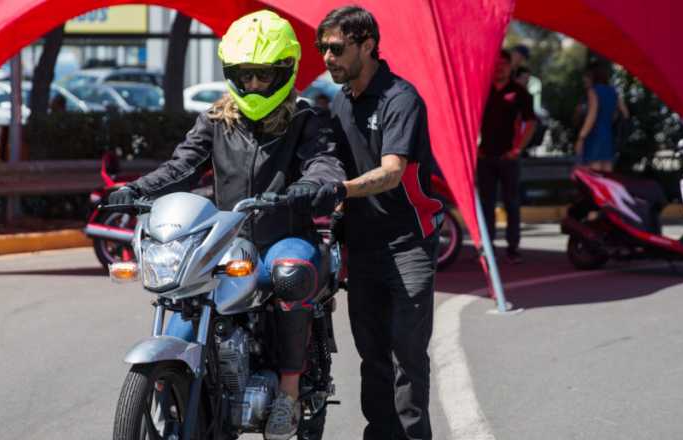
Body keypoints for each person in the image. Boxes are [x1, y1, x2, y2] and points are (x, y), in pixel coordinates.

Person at [107, 10, 346, 438]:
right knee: (180, 287)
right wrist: (136, 188)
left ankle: (288, 394)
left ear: (285, 71)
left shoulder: (307, 120)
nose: (252, 85)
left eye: (262, 75)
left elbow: (324, 164)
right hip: (226, 240)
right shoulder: (217, 120)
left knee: (290, 272)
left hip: (284, 235)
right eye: (243, 75)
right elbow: (181, 167)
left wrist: (312, 185)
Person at [316, 6, 444, 439]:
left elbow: (391, 172)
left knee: (406, 356)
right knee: (372, 356)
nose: (327, 57)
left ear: (366, 45)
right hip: (364, 248)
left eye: (336, 48)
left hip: (409, 244)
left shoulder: (399, 98)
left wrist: (341, 191)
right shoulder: (340, 102)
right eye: (323, 48)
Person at [479, 49, 537, 263]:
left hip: (508, 159)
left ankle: (513, 248)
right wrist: (475, 146)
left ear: (510, 66)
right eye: (496, 63)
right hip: (485, 157)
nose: (499, 67)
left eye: (504, 63)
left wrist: (518, 149)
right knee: (486, 204)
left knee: (512, 203)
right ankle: (488, 246)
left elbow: (531, 122)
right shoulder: (482, 89)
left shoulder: (520, 93)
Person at [574, 60, 629, 172]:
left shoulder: (593, 91)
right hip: (608, 137)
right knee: (607, 175)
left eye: (586, 76)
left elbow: (592, 115)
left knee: (593, 176)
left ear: (593, 76)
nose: (584, 79)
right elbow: (625, 113)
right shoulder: (613, 92)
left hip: (594, 137)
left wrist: (581, 137)